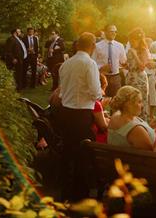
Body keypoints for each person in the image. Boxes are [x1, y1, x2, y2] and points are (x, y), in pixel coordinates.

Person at [56, 32, 102, 201]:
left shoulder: (66, 64)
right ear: (93, 46)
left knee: (68, 153)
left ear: (77, 45)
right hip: (81, 115)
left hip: (65, 112)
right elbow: (95, 92)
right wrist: (101, 95)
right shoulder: (89, 64)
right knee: (82, 155)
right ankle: (79, 195)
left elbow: (61, 91)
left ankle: (65, 193)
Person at [107, 85, 155, 149]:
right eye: (139, 102)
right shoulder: (135, 130)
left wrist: (149, 127)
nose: (142, 105)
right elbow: (151, 154)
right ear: (128, 104)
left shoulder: (115, 116)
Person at [93, 24, 127, 97]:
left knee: (116, 100)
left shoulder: (120, 46)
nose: (114, 33)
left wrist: (125, 64)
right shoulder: (97, 46)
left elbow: (123, 62)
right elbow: (92, 62)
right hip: (102, 77)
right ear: (105, 32)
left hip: (116, 78)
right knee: (101, 99)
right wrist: (101, 67)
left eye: (115, 31)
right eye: (111, 31)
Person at [125, 28, 151, 121]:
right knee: (130, 101)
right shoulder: (130, 50)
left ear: (139, 40)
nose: (131, 42)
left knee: (140, 101)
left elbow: (142, 66)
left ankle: (142, 122)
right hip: (130, 77)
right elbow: (130, 65)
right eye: (130, 40)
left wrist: (135, 54)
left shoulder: (143, 50)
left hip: (139, 79)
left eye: (133, 40)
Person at [147, 40, 156, 118]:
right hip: (153, 78)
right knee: (154, 99)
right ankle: (155, 116)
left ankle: (150, 115)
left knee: (148, 98)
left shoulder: (149, 55)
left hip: (147, 77)